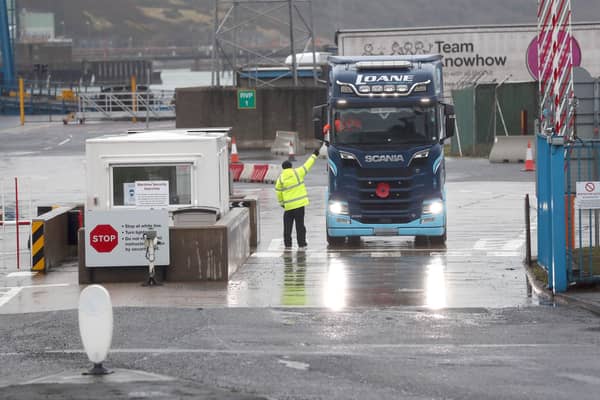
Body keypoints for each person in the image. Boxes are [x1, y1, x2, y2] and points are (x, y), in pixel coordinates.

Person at [275, 144, 323, 250]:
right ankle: (301, 244)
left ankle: (288, 245)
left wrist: (282, 203)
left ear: (283, 168)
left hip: (288, 207)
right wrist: (315, 154)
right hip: (300, 205)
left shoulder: (280, 179)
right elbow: (308, 164)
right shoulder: (298, 172)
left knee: (287, 226)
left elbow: (278, 193)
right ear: (291, 166)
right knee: (300, 225)